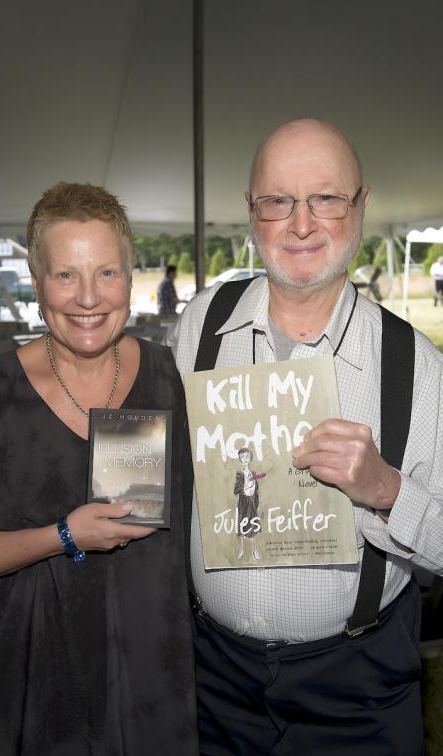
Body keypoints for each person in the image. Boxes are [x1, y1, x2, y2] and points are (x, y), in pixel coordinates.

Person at [169, 118, 443, 755]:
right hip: (213, 679)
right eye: (277, 201)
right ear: (250, 210)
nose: (300, 224)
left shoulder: (415, 365)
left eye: (325, 198)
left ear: (361, 205)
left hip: (359, 693)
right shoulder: (202, 324)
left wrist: (386, 489)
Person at [0, 182, 197, 755]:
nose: (88, 298)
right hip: (19, 695)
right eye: (65, 275)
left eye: (107, 273)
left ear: (131, 280)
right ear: (37, 285)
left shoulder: (169, 379)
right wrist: (61, 536)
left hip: (150, 693)